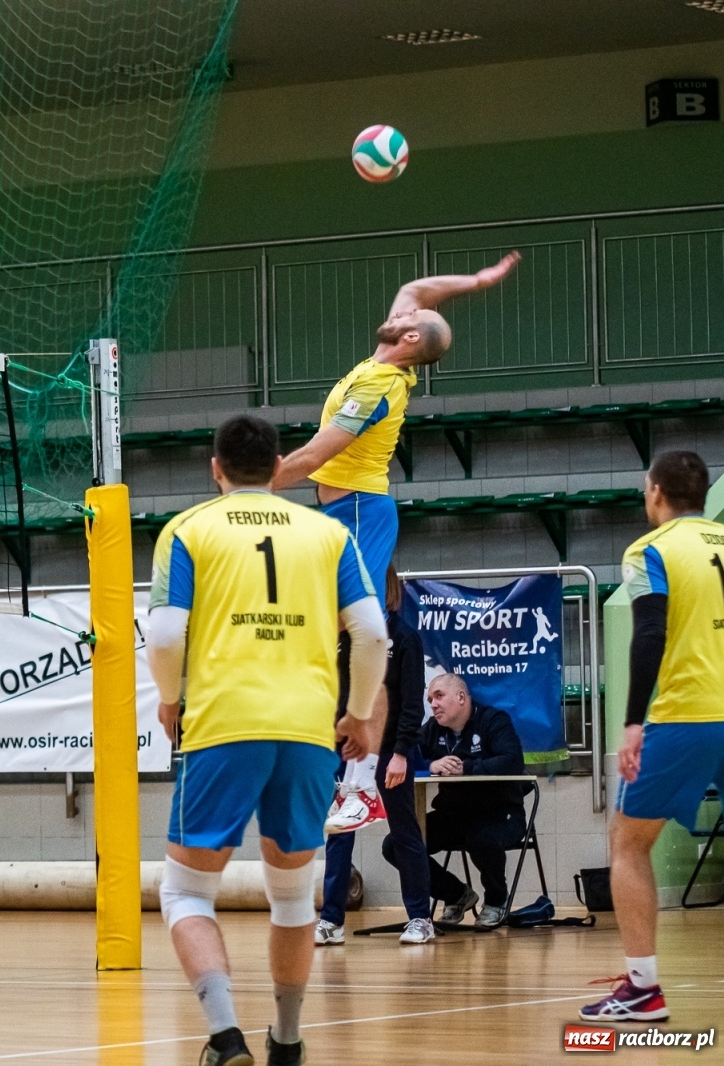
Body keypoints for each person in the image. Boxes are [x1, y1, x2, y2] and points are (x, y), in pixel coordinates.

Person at [147, 415, 387, 1066]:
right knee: (291, 896)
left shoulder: (189, 531)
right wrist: (361, 715)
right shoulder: (327, 534)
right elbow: (370, 633)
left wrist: (172, 699)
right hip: (308, 730)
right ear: (279, 465)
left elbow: (166, 637)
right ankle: (286, 1040)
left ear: (215, 467)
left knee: (186, 892)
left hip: (225, 724)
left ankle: (226, 1037)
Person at [273, 252, 521, 832]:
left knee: (366, 638)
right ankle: (340, 771)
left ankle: (361, 788)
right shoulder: (389, 357)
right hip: (346, 514)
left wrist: (244, 483)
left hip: (359, 514)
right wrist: (476, 282)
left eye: (411, 314)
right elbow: (416, 285)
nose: (406, 304)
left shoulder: (379, 387)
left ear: (409, 335)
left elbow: (313, 458)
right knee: (333, 637)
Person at [582, 450, 724, 1023]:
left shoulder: (650, 550)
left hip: (686, 714)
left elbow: (648, 634)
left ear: (657, 491)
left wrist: (633, 721)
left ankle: (643, 989)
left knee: (627, 841)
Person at [315, 565, 433, 946]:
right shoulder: (342, 639)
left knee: (404, 834)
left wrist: (400, 753)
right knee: (338, 834)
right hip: (345, 753)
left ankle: (420, 918)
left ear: (387, 590)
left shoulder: (404, 637)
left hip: (389, 753)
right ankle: (331, 921)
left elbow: (412, 705)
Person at [417, 673, 526, 930]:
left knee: (481, 839)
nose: (433, 704)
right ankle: (456, 894)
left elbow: (512, 760)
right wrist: (430, 765)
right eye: (430, 698)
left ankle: (497, 900)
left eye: (439, 696)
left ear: (462, 697)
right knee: (398, 844)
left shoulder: (493, 721)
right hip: (453, 816)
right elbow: (406, 759)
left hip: (499, 814)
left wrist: (467, 768)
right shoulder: (432, 729)